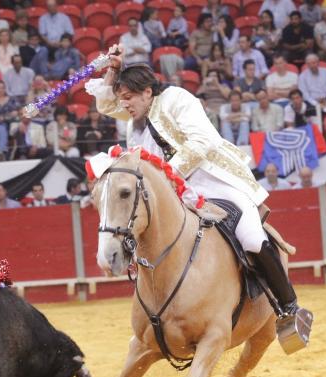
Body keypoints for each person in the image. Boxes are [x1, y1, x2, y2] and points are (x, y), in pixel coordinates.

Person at [88, 47, 305, 323]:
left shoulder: (177, 99)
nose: (124, 104)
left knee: (251, 237)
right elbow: (106, 105)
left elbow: (202, 142)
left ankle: (289, 307)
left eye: (128, 97)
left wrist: (169, 176)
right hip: (173, 193)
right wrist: (113, 71)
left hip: (213, 180)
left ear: (147, 92)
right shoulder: (136, 120)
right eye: (122, 98)